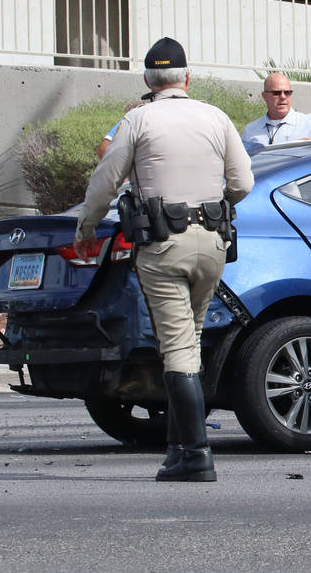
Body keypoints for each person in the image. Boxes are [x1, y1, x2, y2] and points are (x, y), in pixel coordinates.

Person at [74, 37, 254, 482]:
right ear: (186, 78)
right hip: (212, 243)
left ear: (147, 81)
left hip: (163, 244)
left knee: (175, 347)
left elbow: (104, 181)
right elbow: (244, 181)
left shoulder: (138, 120)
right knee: (188, 341)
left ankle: (195, 454)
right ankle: (177, 448)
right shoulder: (215, 116)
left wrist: (85, 228)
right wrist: (215, 202)